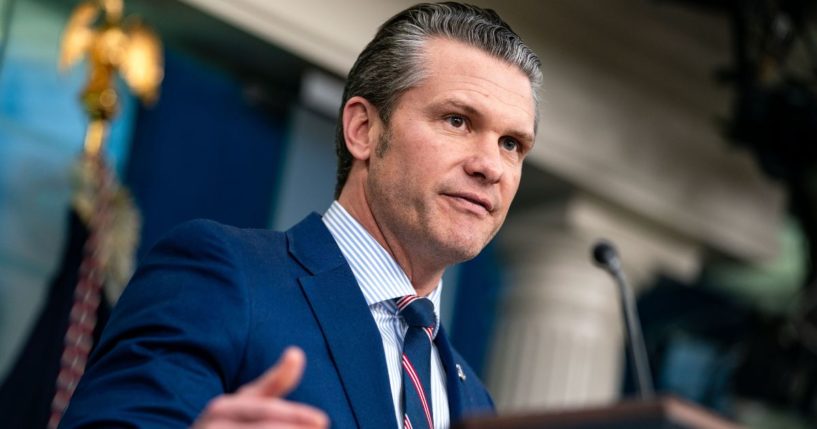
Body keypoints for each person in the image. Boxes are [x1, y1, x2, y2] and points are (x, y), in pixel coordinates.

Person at [60, 2, 541, 428]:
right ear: (363, 130)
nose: (490, 166)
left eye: (512, 144)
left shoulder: (475, 402)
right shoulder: (225, 275)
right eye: (457, 121)